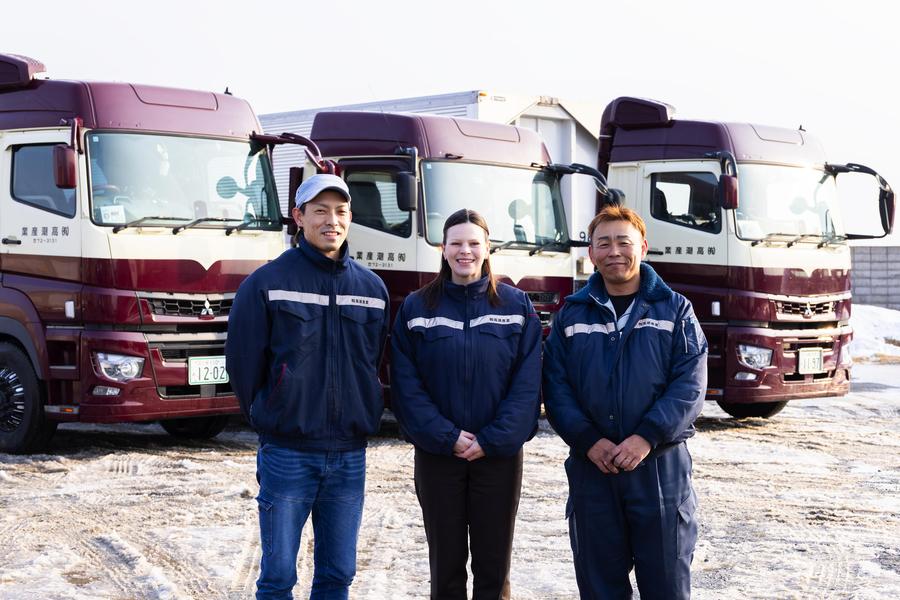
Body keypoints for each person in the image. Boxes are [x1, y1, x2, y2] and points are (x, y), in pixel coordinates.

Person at [226, 174, 389, 600]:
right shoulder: (265, 283)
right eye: (319, 211)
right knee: (278, 577)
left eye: (340, 211)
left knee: (338, 575)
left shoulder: (372, 290)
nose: (330, 221)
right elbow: (244, 365)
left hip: (349, 454)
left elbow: (375, 361)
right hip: (288, 453)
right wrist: (270, 414)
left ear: (350, 217)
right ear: (299, 217)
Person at [542, 205, 707, 600]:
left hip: (659, 469)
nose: (614, 251)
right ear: (591, 253)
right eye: (604, 243)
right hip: (593, 470)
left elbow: (690, 384)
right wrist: (587, 440)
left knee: (666, 586)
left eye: (623, 242)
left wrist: (646, 437)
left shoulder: (675, 310)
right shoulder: (572, 314)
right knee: (600, 587)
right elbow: (556, 385)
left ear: (643, 248)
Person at [390, 208, 542, 600]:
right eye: (456, 243)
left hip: (498, 457)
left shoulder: (515, 306)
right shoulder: (417, 308)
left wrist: (492, 440)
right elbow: (406, 386)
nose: (465, 251)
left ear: (488, 248)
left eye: (474, 243)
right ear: (443, 249)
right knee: (446, 567)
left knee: (494, 567)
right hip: (439, 456)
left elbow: (527, 386)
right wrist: (447, 437)